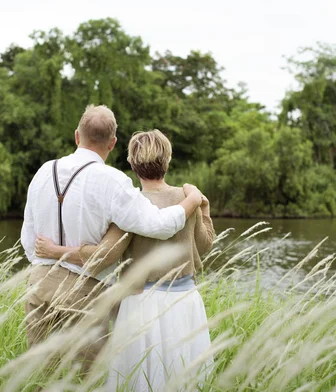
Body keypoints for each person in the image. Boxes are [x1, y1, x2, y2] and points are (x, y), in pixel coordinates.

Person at [20, 105, 204, 370]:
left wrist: (48, 263)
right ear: (113, 143)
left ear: (76, 136)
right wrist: (193, 200)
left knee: (40, 376)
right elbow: (159, 225)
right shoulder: (112, 181)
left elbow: (29, 239)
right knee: (83, 383)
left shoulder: (43, 172)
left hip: (39, 285)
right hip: (83, 292)